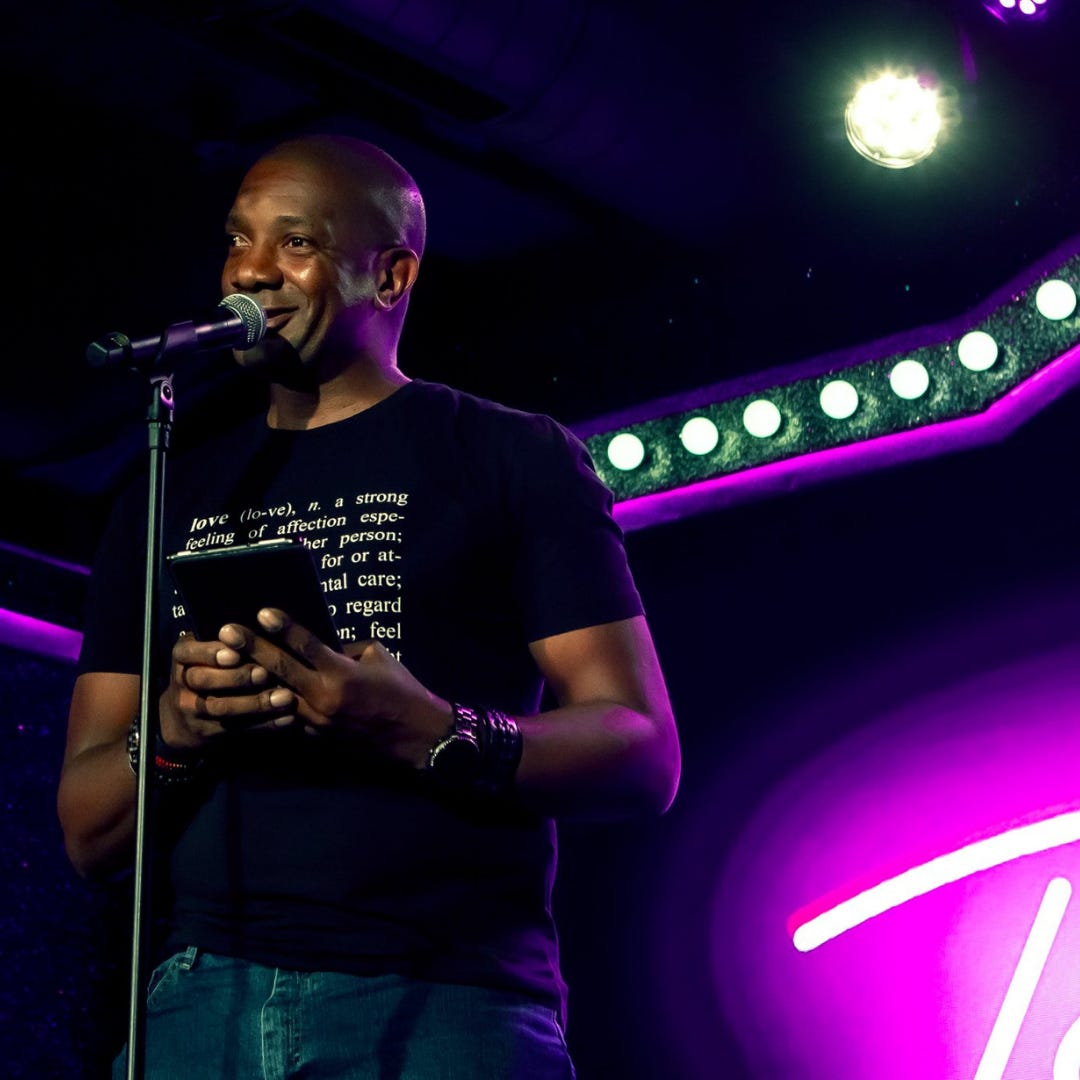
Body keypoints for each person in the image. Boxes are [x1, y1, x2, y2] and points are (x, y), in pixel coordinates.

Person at [57, 133, 680, 1079]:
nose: (252, 270)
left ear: (388, 276)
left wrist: (425, 727)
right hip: (198, 1006)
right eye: (238, 239)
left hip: (443, 1000)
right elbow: (85, 825)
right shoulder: (165, 486)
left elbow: (641, 751)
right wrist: (177, 729)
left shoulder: (508, 456)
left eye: (295, 242)